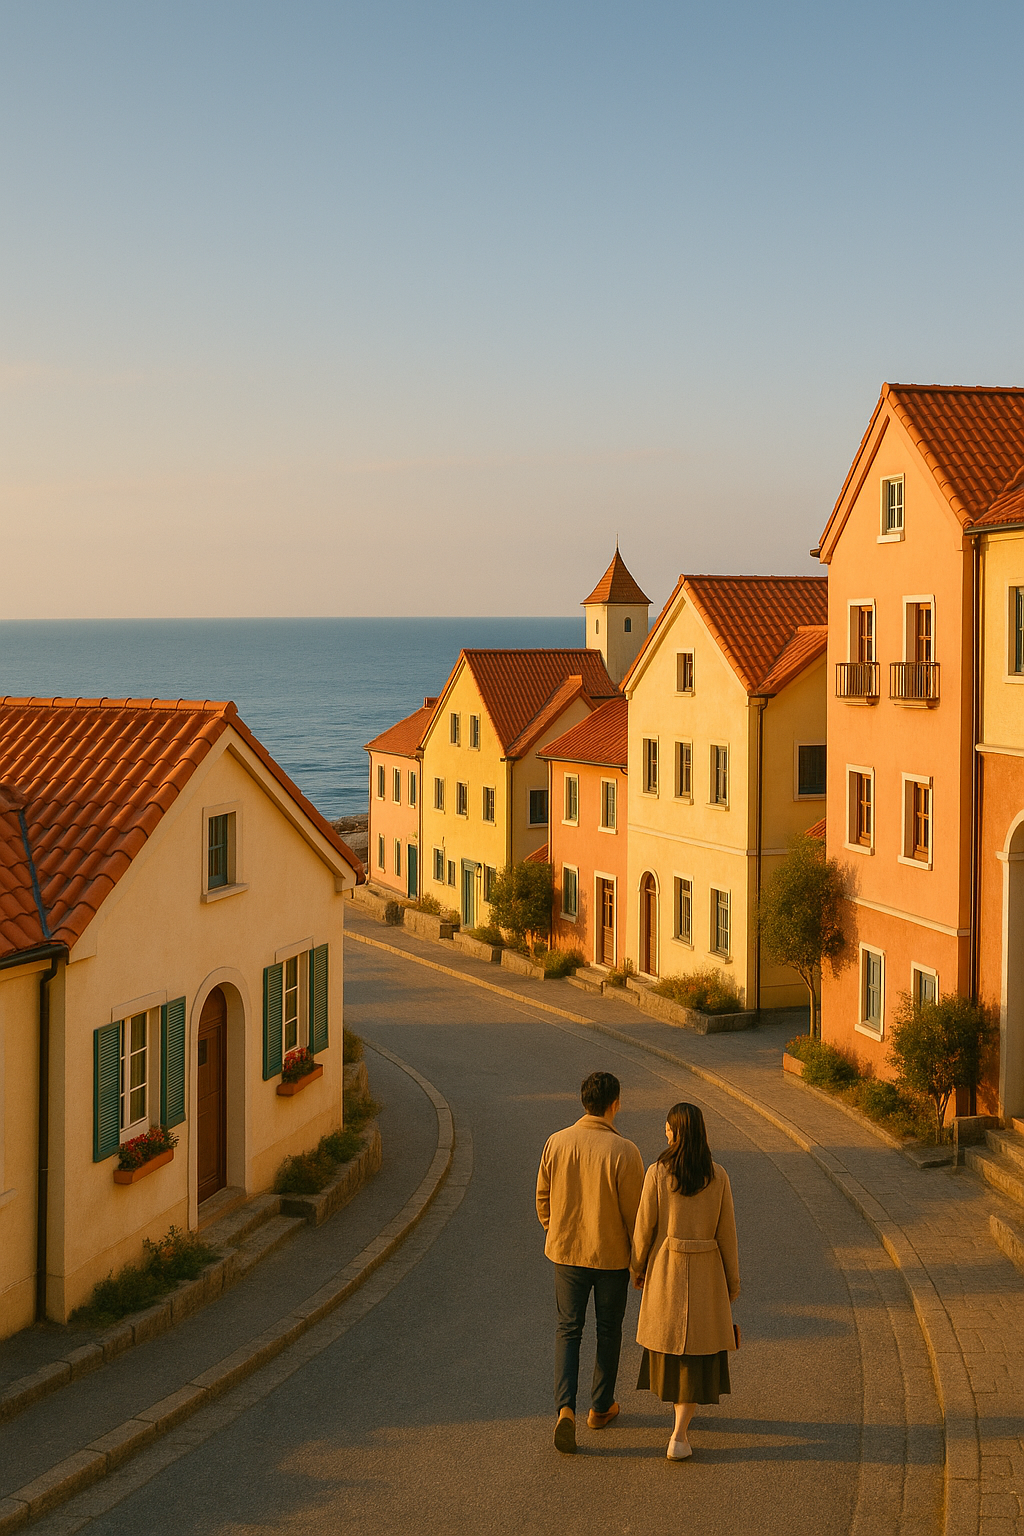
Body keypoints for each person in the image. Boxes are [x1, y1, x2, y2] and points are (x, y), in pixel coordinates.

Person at [536, 1070, 645, 1455]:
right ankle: (600, 1407)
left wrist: (557, 1231)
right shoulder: (625, 1152)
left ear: (584, 1102)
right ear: (615, 1104)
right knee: (608, 1330)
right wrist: (639, 1264)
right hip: (611, 1258)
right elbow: (636, 1217)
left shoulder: (556, 1142)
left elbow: (543, 1198)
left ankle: (565, 1409)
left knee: (568, 1329)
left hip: (567, 1254)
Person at [632, 1101, 740, 1461]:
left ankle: (678, 1433)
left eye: (667, 1126)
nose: (665, 1131)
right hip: (707, 1272)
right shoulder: (718, 1175)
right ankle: (680, 1433)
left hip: (667, 1269)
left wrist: (637, 1267)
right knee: (697, 1352)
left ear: (674, 1130)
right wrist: (732, 1283)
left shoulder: (657, 1173)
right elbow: (727, 1234)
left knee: (674, 1349)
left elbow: (644, 1227)